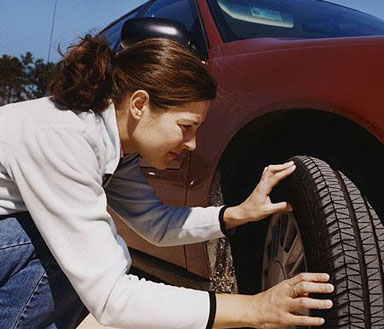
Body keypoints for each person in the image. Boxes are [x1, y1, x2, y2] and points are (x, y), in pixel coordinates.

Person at [0, 35, 334, 329]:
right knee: (65, 247)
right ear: (140, 105)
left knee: (79, 248)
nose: (192, 145)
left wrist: (236, 214)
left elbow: (154, 224)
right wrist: (254, 308)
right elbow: (113, 297)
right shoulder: (64, 138)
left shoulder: (113, 145)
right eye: (186, 126)